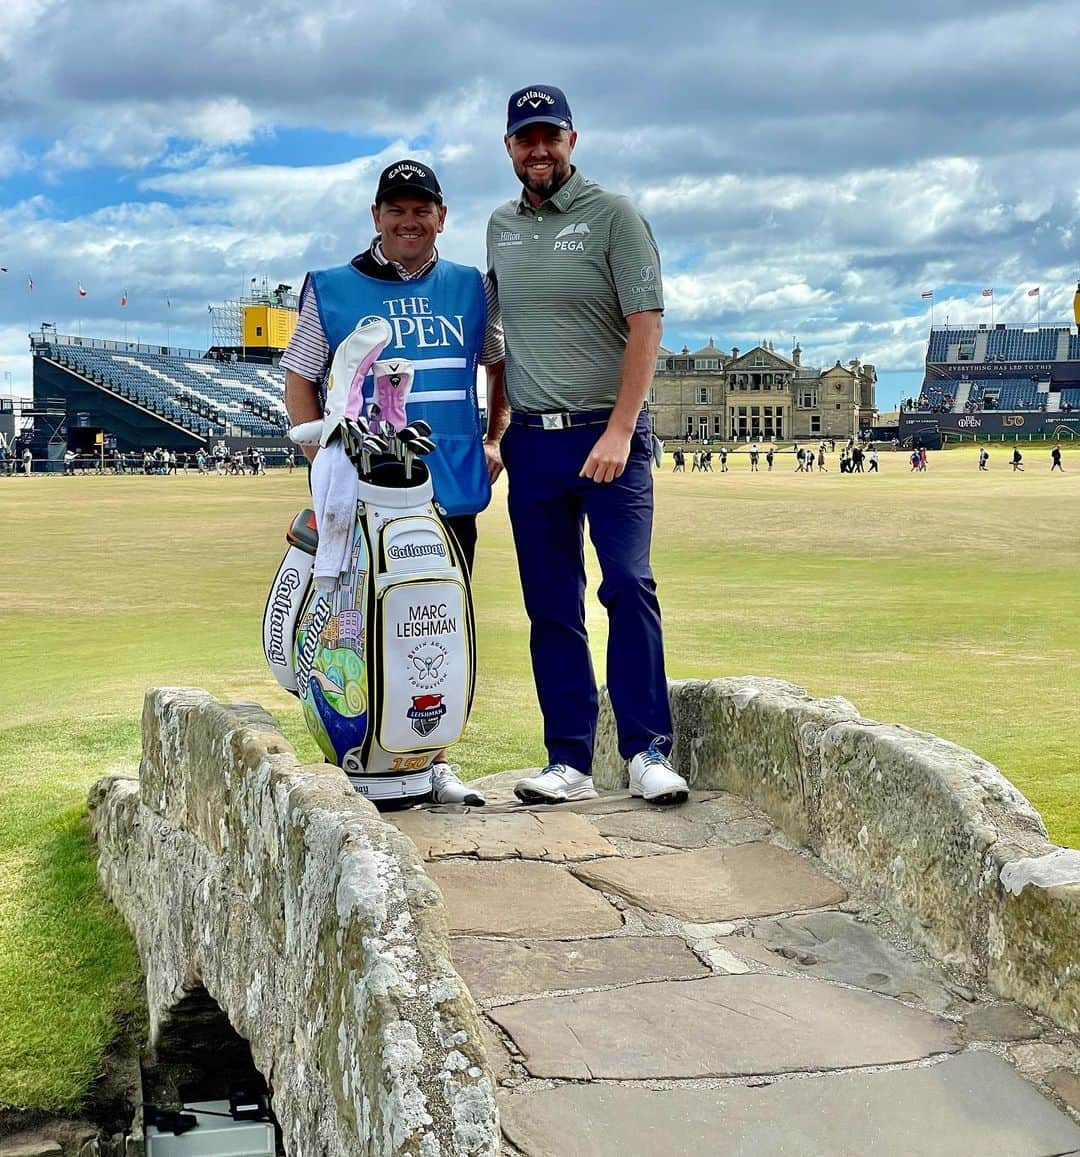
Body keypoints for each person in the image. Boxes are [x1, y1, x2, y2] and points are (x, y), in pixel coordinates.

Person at [282, 157, 506, 807]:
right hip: (361, 497)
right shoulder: (330, 286)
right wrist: (323, 459)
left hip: (450, 490)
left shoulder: (472, 286)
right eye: (396, 209)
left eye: (422, 209)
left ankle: (432, 759)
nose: (409, 220)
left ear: (442, 216)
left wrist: (496, 436)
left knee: (435, 629)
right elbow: (300, 378)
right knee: (358, 632)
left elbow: (499, 365)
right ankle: (360, 754)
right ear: (376, 216)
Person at [486, 84, 688, 806]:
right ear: (509, 146)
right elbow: (500, 342)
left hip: (609, 436)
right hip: (534, 445)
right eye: (524, 137)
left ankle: (645, 750)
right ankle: (569, 759)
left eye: (550, 135)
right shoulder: (499, 227)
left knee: (628, 584)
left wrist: (620, 428)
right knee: (551, 604)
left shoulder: (615, 216)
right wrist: (496, 429)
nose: (538, 149)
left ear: (572, 139)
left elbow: (647, 325)